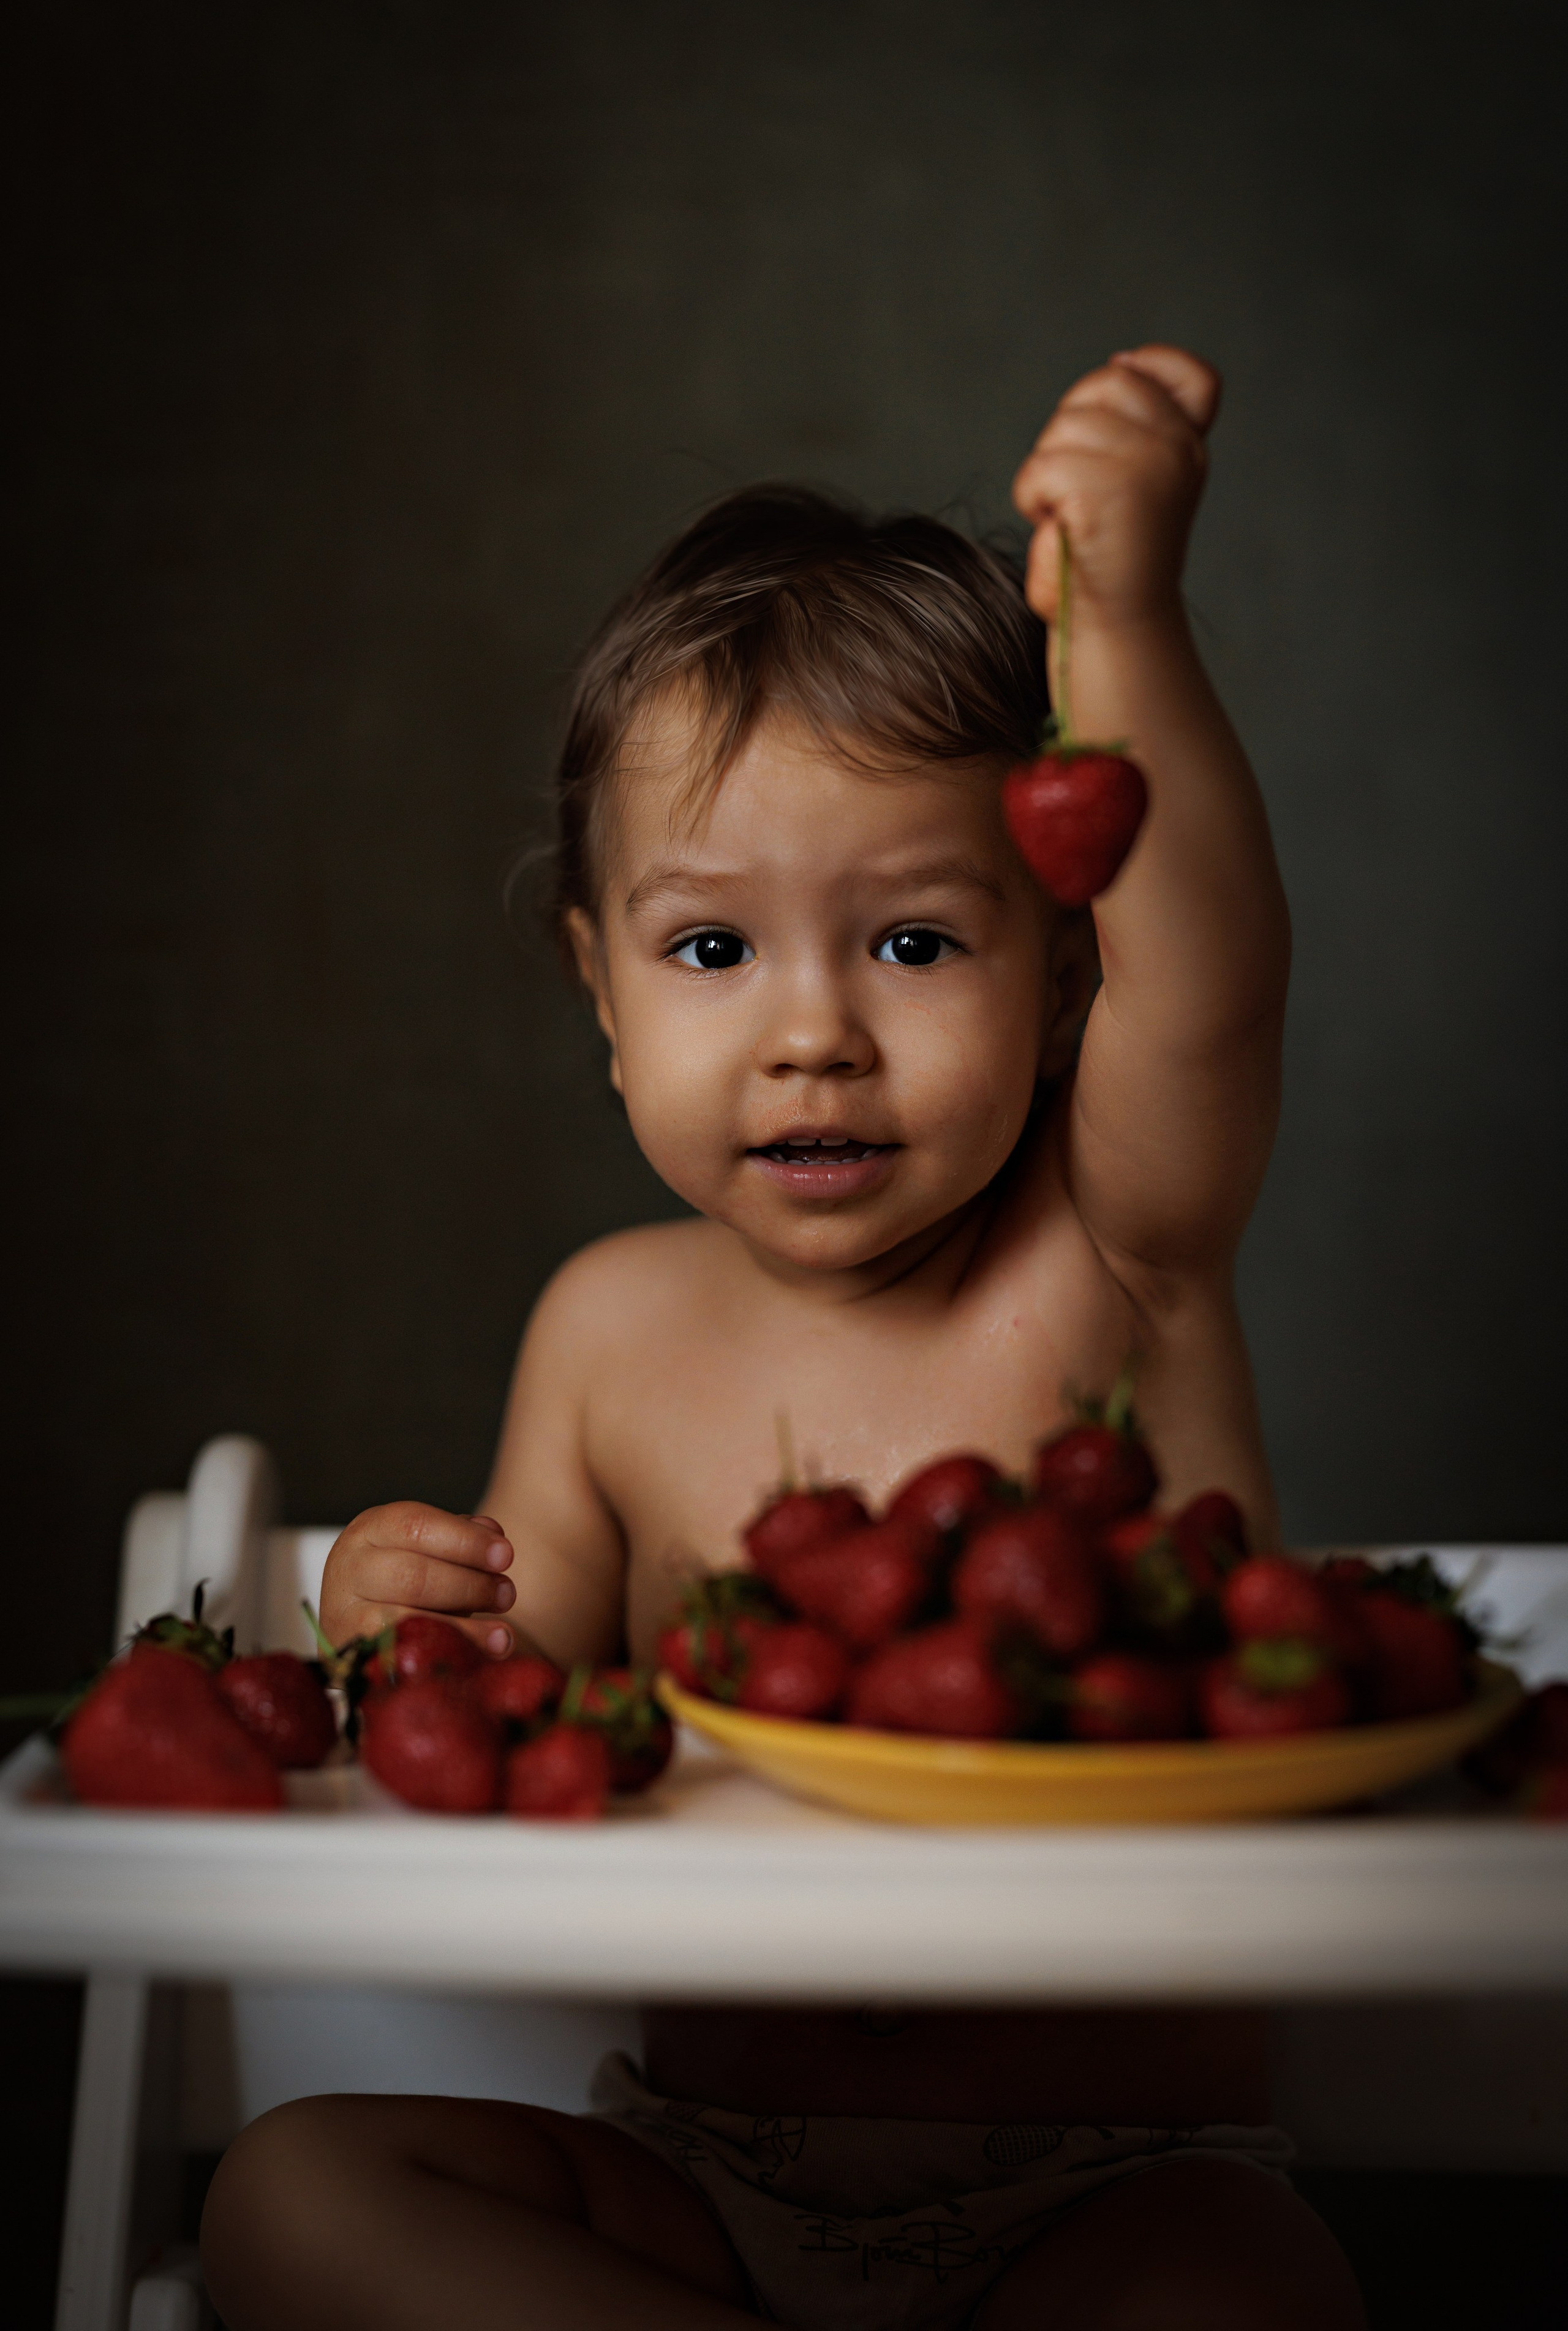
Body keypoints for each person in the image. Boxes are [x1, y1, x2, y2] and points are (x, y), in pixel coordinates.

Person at [202, 346, 1364, 2329]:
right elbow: (519, 1721)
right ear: (599, 985)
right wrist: (409, 1637)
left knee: (1249, 2293)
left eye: (917, 940)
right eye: (712, 948)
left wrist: (1129, 623)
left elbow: (1221, 976)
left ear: (1071, 962)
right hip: (705, 2185)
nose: (812, 1029)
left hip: (1113, 2191)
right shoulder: (607, 1330)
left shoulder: (1121, 1250)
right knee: (287, 2195)